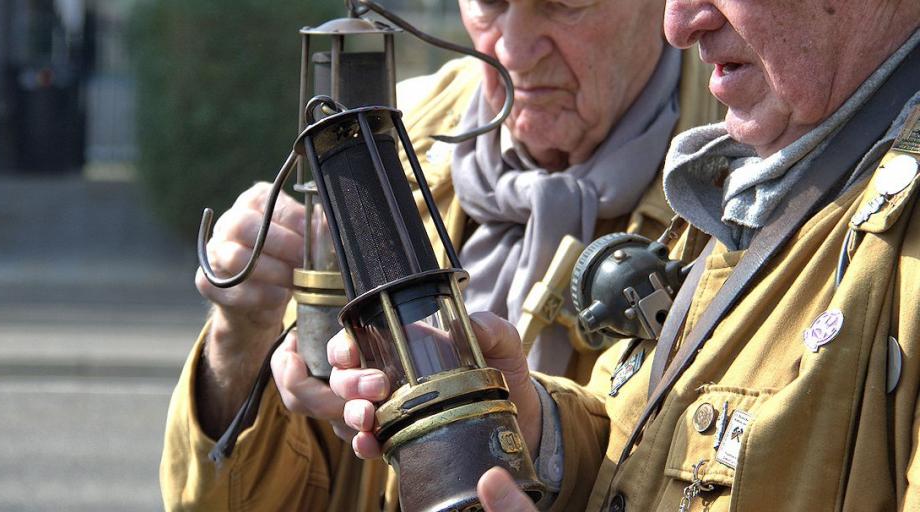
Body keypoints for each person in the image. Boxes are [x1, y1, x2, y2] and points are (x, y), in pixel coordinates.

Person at [335, 0, 920, 510]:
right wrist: (538, 434)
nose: (680, 25)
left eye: (565, 3)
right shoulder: (773, 160)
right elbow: (656, 461)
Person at [160, 0, 723, 509]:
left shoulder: (746, 179)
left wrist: (536, 433)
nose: (514, 49)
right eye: (489, 4)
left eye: (564, 4)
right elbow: (228, 501)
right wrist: (242, 336)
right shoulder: (381, 142)